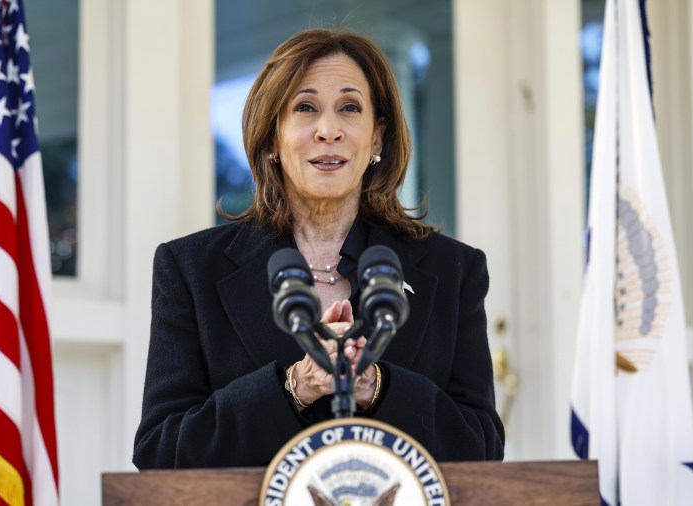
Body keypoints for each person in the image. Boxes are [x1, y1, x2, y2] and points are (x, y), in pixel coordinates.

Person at [133, 28, 504, 469]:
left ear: (378, 138)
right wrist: (296, 384)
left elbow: (481, 447)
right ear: (272, 137)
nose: (329, 130)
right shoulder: (190, 269)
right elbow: (161, 452)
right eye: (305, 108)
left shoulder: (453, 269)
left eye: (350, 108)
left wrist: (376, 386)